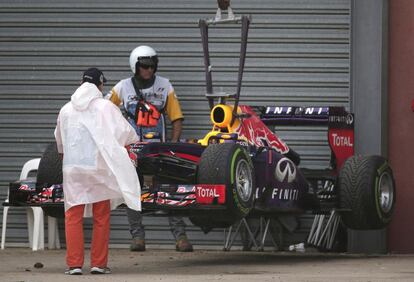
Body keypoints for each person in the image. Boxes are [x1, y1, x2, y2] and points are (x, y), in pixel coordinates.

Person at [106, 45, 193, 252]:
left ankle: (180, 236)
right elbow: (104, 110)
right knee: (131, 191)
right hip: (131, 150)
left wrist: (172, 145)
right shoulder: (122, 88)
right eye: (144, 66)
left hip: (159, 149)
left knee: (171, 190)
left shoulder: (165, 86)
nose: (149, 70)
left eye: (152, 65)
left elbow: (176, 118)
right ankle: (138, 237)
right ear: (135, 66)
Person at [55, 68, 141, 275]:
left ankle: (74, 265)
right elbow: (127, 133)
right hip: (98, 168)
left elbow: (60, 141)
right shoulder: (105, 107)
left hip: (73, 168)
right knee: (101, 215)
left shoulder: (66, 109)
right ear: (100, 85)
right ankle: (98, 264)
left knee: (72, 215)